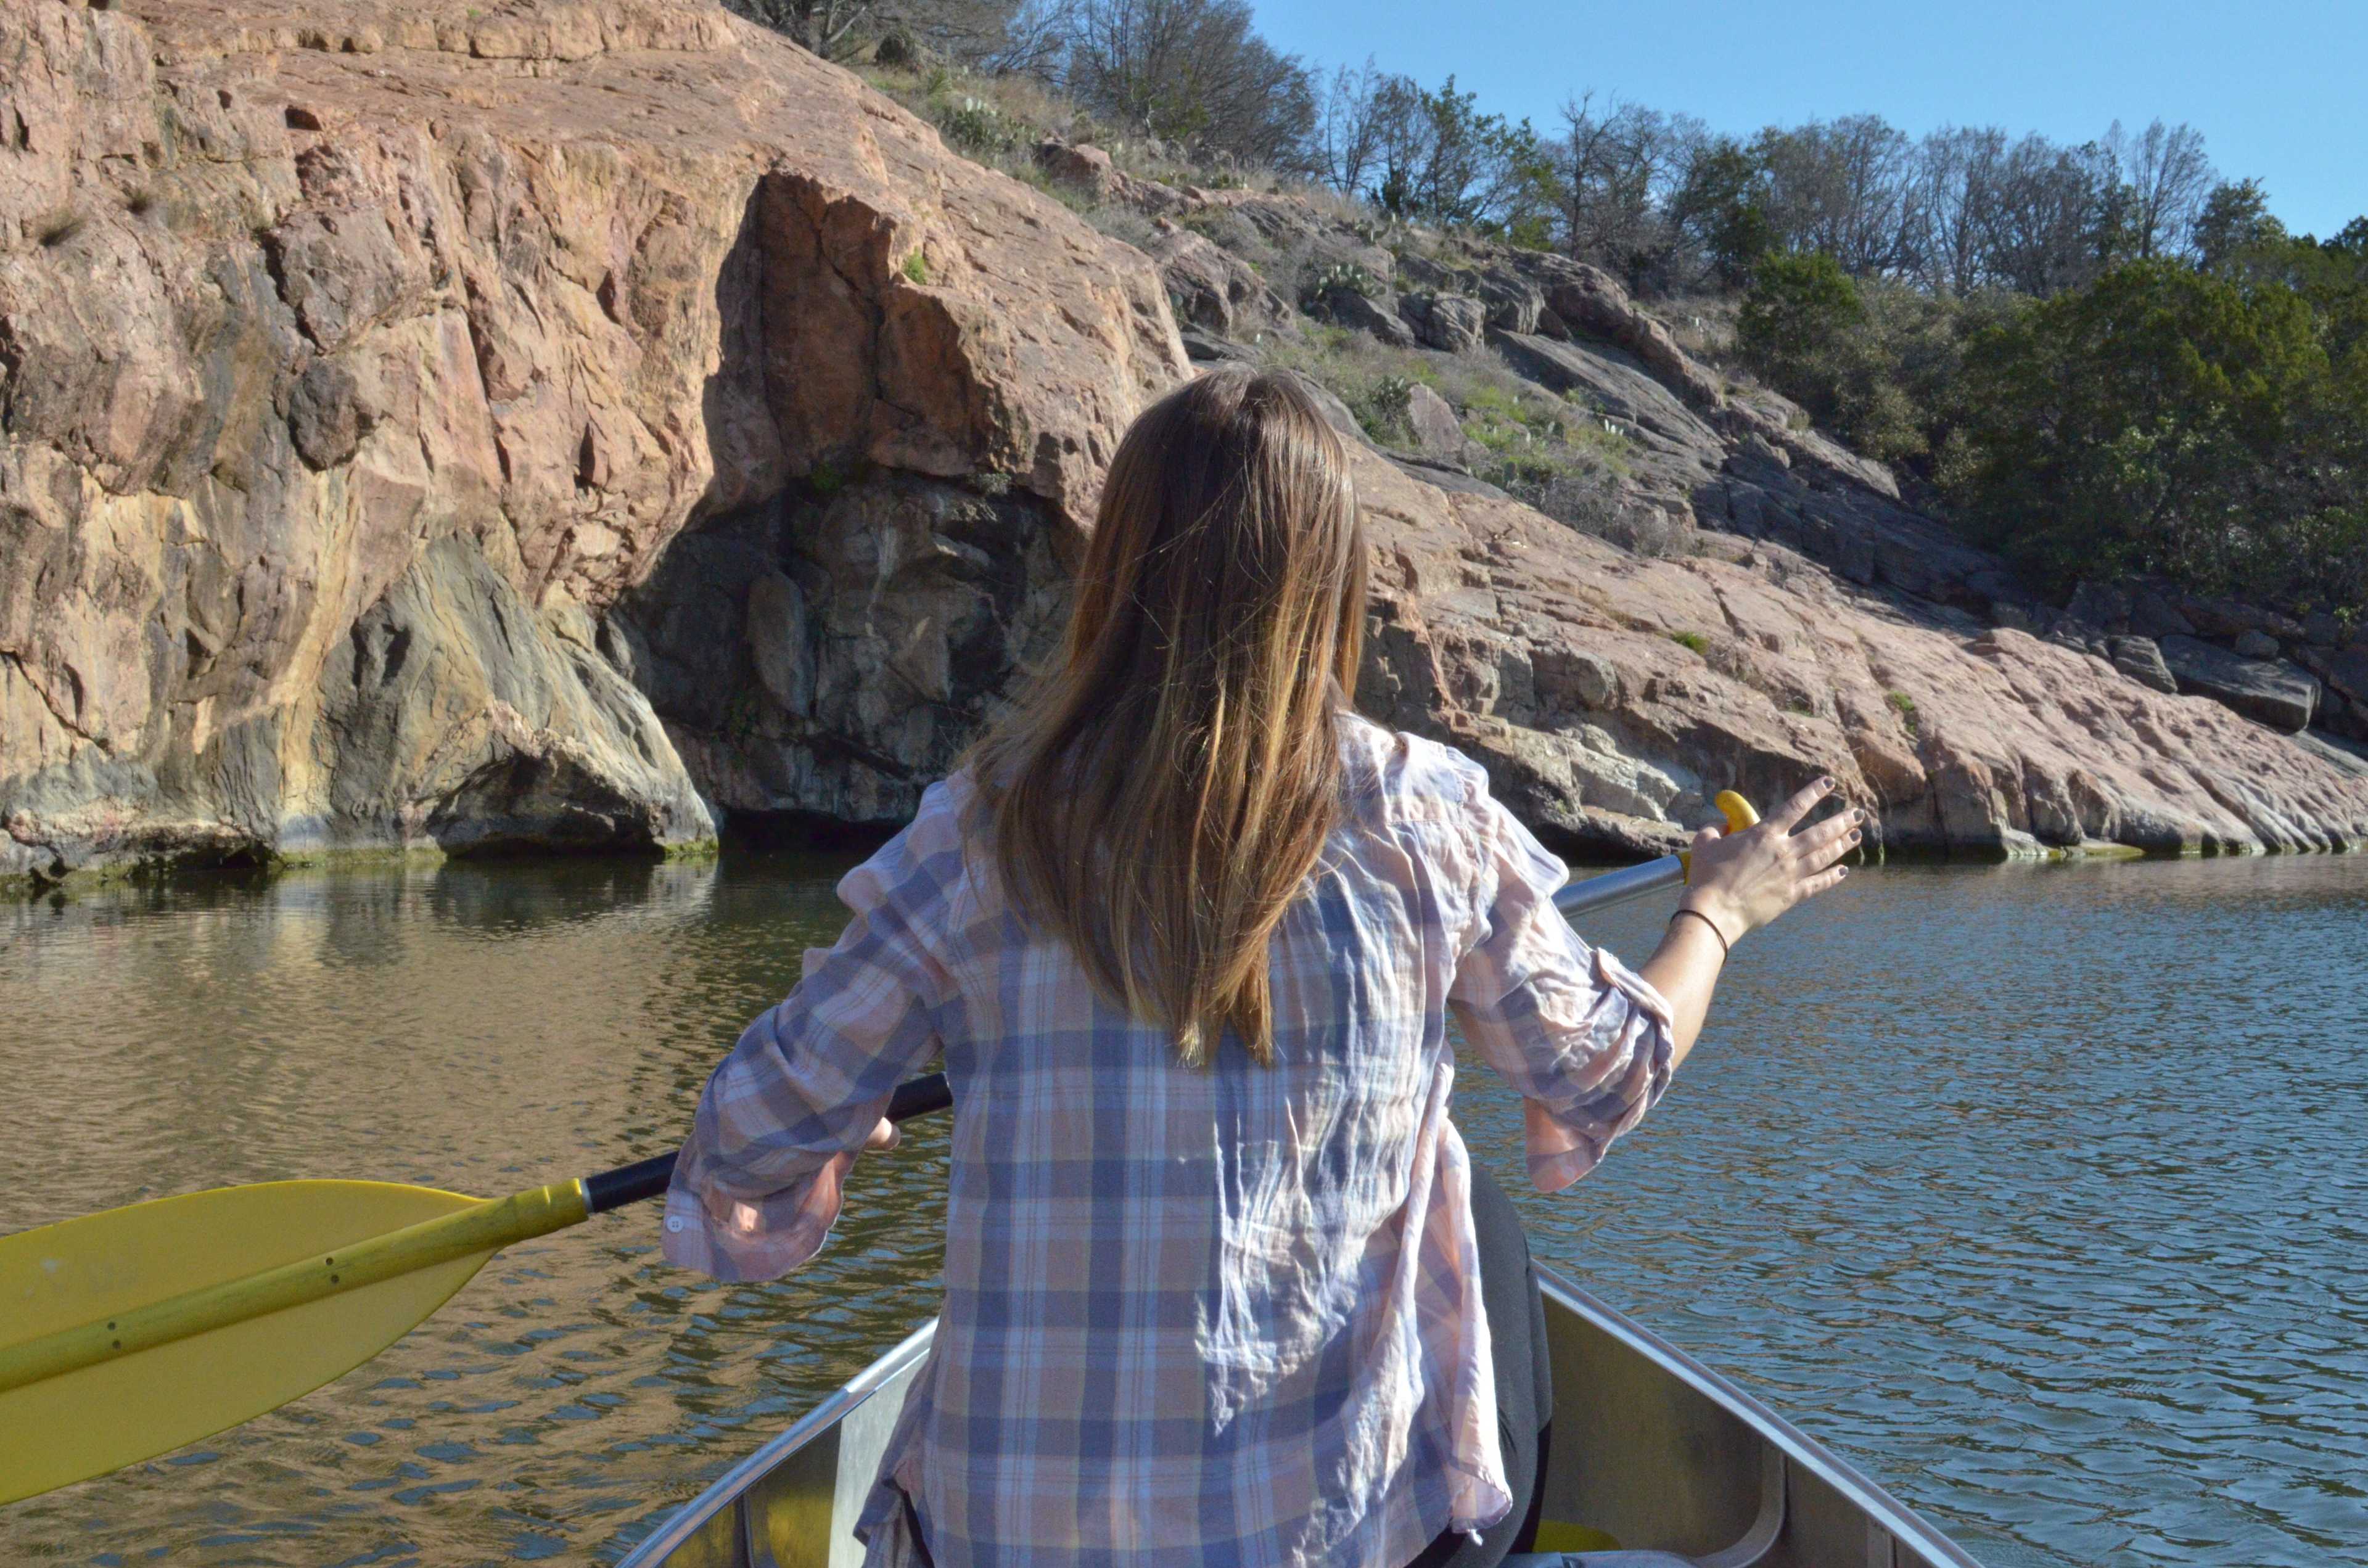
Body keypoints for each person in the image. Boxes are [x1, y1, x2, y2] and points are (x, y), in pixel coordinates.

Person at [661, 369, 1860, 1568]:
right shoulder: (1428, 821)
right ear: (1330, 584)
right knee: (1479, 1222)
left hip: (1004, 1543)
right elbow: (1603, 1069)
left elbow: (748, 1138)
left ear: (1119, 566)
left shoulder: (979, 830)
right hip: (1330, 1542)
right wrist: (1719, 910)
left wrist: (841, 1128)